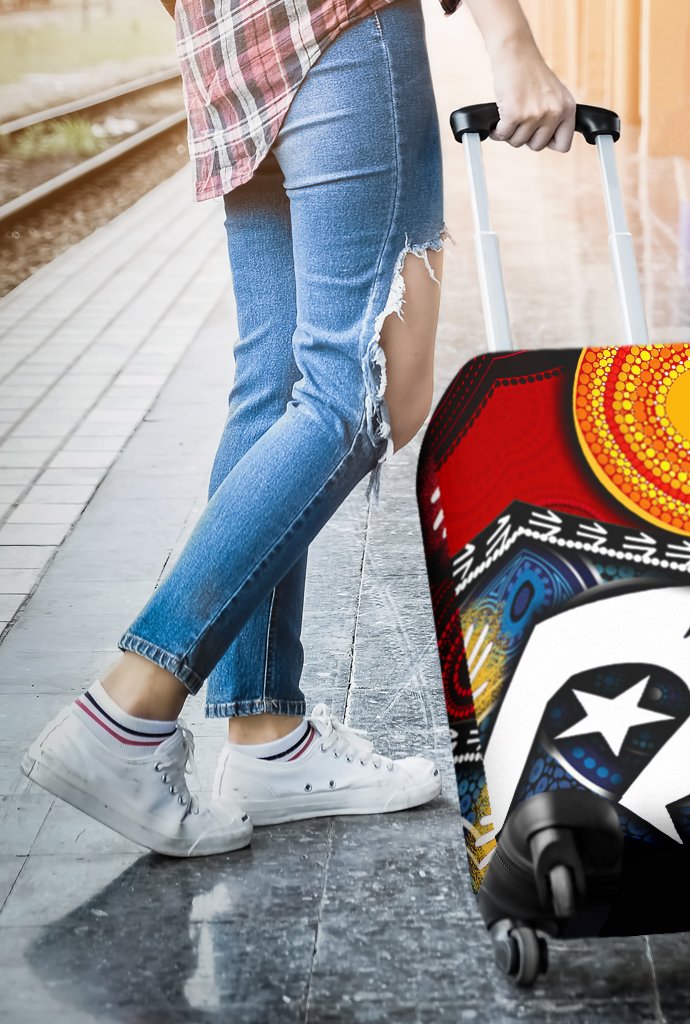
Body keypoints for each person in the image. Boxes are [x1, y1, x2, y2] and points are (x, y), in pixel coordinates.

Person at [22, 0, 576, 857]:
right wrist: (512, 43)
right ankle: (127, 711)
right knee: (360, 390)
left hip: (227, 50)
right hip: (340, 27)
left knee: (276, 383)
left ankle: (265, 734)